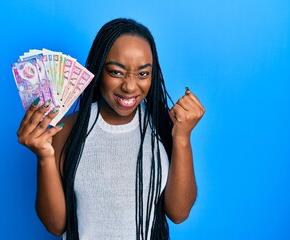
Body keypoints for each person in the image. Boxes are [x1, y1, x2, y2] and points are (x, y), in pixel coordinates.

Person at [17, 18, 205, 240]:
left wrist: (182, 138)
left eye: (143, 74)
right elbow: (56, 225)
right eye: (116, 72)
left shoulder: (165, 128)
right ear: (98, 71)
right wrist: (44, 157)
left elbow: (179, 213)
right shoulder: (66, 130)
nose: (130, 86)